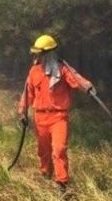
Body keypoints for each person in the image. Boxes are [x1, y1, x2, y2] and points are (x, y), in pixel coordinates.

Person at [17, 35, 95, 192]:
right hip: (40, 117)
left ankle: (62, 183)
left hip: (59, 117)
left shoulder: (62, 69)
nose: (36, 56)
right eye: (35, 53)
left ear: (49, 53)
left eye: (39, 53)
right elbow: (28, 93)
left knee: (59, 149)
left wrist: (87, 86)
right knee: (43, 150)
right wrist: (22, 112)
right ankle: (45, 174)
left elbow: (76, 79)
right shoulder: (34, 71)